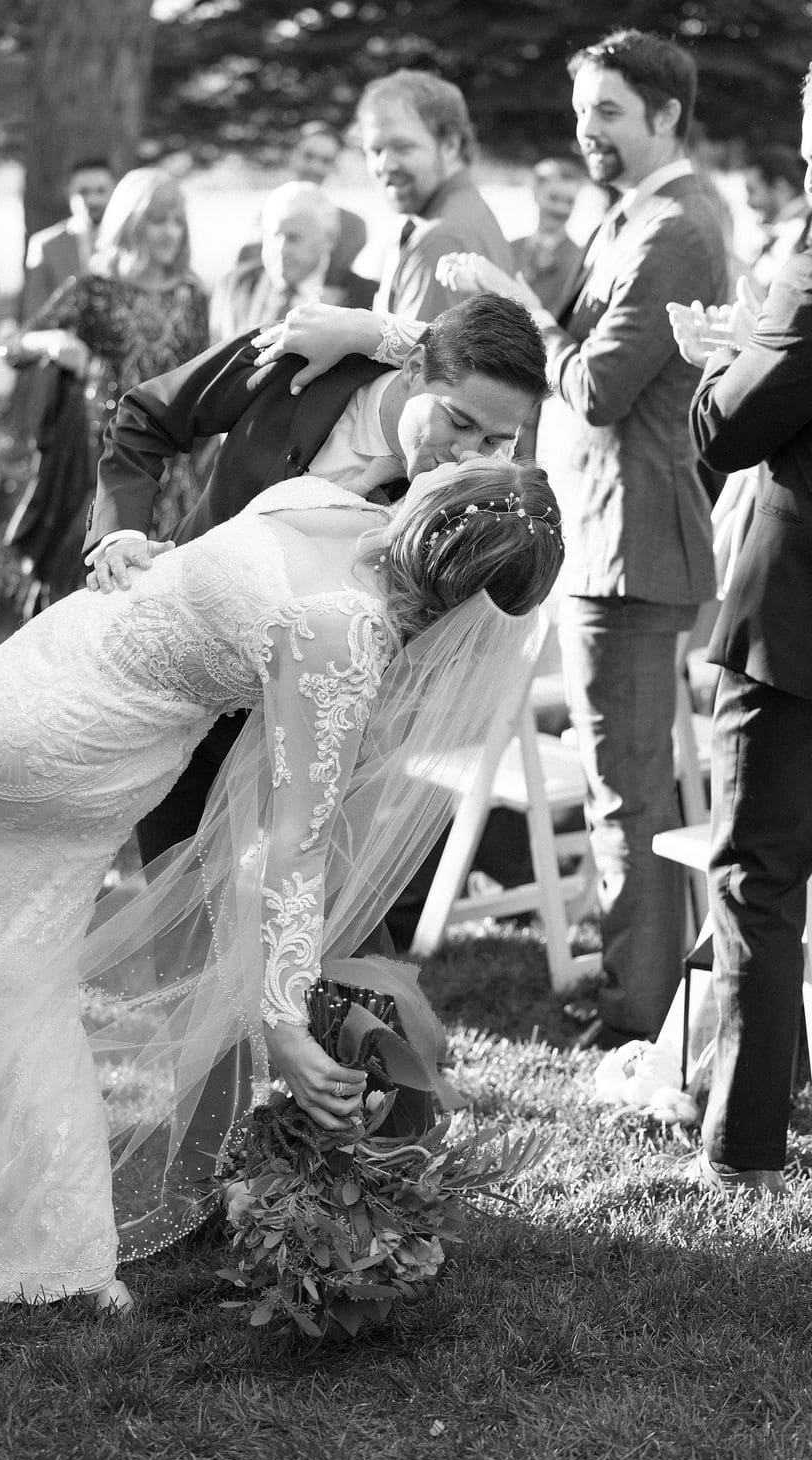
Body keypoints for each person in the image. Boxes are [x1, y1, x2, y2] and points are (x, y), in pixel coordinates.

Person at [0, 455, 564, 1307]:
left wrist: (282, 1021)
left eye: (461, 462)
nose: (448, 454)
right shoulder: (346, 500)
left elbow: (293, 844)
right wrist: (374, 338)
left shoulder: (342, 634)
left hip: (76, 730)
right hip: (54, 661)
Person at [433, 29, 729, 1047]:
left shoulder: (680, 226)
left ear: (664, 116)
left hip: (634, 539)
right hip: (605, 533)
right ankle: (631, 982)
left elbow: (599, 390)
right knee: (622, 782)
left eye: (607, 112)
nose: (585, 131)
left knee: (624, 791)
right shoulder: (634, 213)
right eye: (580, 112)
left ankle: (639, 1014)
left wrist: (520, 305)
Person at [84, 294, 550, 866]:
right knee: (184, 913)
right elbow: (147, 417)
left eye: (495, 440)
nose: (466, 455)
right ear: (412, 370)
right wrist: (121, 535)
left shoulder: (469, 503)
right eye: (458, 421)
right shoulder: (293, 364)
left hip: (319, 732)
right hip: (181, 683)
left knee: (305, 920)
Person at [663, 67, 812, 1194]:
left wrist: (716, 356)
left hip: (797, 620)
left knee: (757, 874)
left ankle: (745, 1148)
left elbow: (741, 421)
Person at [3, 168, 210, 606]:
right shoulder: (92, 289)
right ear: (131, 222)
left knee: (169, 572)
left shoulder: (193, 295)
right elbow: (14, 347)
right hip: (103, 454)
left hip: (173, 453)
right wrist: (56, 343)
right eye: (158, 220)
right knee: (93, 581)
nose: (170, 232)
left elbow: (201, 374)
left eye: (177, 220)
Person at [355, 70, 514, 322]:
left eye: (402, 147)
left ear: (450, 145)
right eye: (375, 150)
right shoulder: (463, 213)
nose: (385, 165)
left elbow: (418, 361)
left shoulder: (442, 239)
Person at [210, 181, 377, 344]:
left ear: (329, 239)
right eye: (274, 236)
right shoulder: (235, 285)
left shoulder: (367, 299)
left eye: (294, 238)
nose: (281, 249)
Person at [234, 122, 368, 288]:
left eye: (326, 161)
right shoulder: (266, 214)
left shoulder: (351, 226)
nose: (314, 167)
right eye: (308, 156)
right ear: (294, 155)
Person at [21, 157, 116, 321]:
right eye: (83, 192)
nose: (93, 200)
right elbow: (35, 314)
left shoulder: (131, 240)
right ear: (69, 192)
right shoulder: (45, 245)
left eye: (101, 190)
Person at [511, 157, 585, 316]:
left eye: (569, 202)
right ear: (535, 193)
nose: (560, 209)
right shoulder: (510, 247)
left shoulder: (580, 261)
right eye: (553, 198)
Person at [741, 143, 811, 294]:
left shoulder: (798, 233)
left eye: (752, 191)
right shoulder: (788, 231)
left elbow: (760, 290)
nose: (749, 202)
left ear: (780, 187)